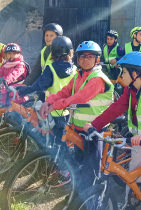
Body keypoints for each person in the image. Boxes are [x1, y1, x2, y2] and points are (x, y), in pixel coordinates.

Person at [84, 52, 141, 210]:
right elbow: (115, 108)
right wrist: (94, 124)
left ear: (135, 73)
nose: (121, 75)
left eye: (123, 71)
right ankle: (130, 202)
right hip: (138, 138)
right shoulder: (130, 90)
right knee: (133, 170)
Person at [39, 40, 114, 190]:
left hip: (95, 129)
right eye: (82, 56)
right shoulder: (79, 75)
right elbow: (65, 91)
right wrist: (48, 101)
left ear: (97, 59)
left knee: (91, 167)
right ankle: (79, 192)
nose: (85, 59)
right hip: (79, 127)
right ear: (77, 59)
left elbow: (79, 97)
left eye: (90, 56)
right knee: (79, 159)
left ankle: (94, 196)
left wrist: (56, 105)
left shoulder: (97, 78)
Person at [18, 36, 76, 148]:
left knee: (54, 142)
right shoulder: (74, 69)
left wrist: (22, 90)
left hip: (52, 111)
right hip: (68, 111)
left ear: (52, 52)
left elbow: (38, 86)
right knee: (63, 141)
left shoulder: (51, 68)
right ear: (70, 52)